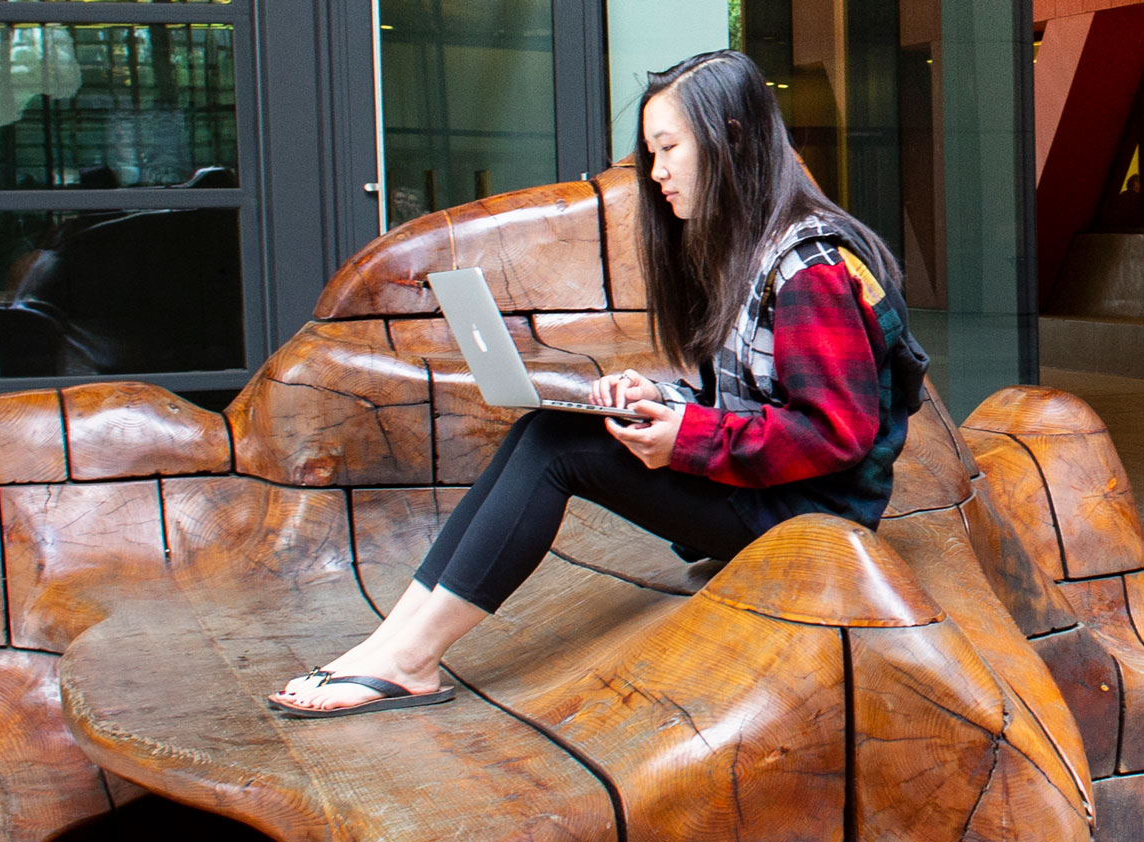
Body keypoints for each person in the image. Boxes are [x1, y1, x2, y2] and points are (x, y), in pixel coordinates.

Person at [268, 50, 916, 717]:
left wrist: (686, 438)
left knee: (558, 449)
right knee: (543, 427)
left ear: (734, 140)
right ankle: (391, 642)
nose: (656, 172)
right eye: (651, 152)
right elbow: (750, 400)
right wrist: (661, 402)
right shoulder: (749, 250)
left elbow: (833, 435)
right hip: (768, 493)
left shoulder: (811, 268)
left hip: (811, 524)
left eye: (669, 148)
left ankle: (408, 662)